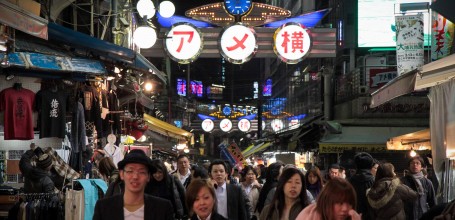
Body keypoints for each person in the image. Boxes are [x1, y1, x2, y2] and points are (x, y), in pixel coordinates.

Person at [93, 149, 174, 220]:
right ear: (121, 174)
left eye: (141, 172)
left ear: (148, 176)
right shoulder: (104, 208)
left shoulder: (163, 208)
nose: (135, 177)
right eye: (130, 171)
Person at [296, 177, 361, 220]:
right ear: (326, 201)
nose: (345, 208)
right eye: (340, 203)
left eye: (349, 203)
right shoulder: (309, 216)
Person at [349, 152, 375, 218]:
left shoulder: (350, 181)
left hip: (353, 215)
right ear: (371, 166)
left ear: (356, 165)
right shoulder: (375, 181)